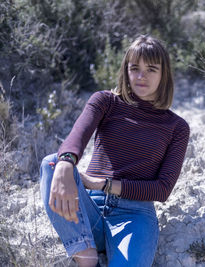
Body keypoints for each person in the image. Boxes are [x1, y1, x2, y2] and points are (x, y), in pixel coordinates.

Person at [39, 35, 190, 267]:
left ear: (164, 74)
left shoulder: (176, 127)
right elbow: (76, 138)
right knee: (52, 163)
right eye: (134, 68)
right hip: (88, 211)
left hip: (135, 218)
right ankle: (87, 257)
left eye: (151, 69)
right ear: (126, 70)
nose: (141, 76)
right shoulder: (106, 102)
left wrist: (103, 184)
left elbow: (162, 189)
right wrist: (65, 163)